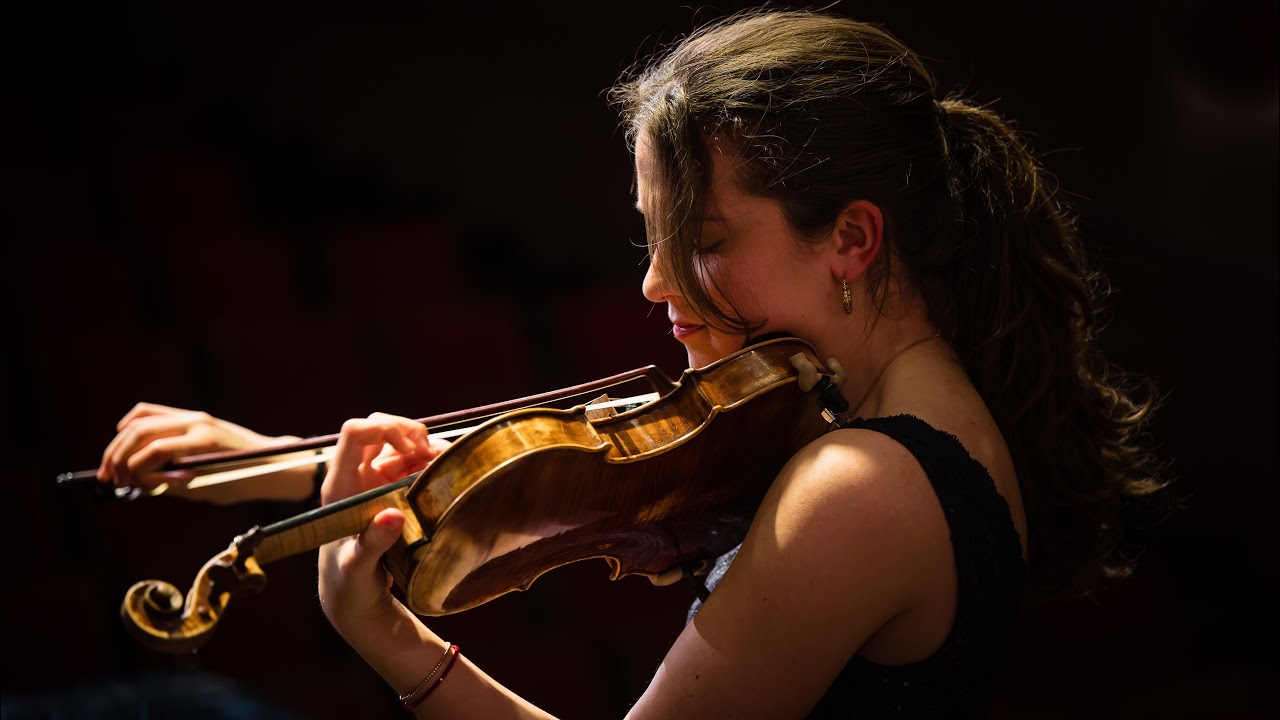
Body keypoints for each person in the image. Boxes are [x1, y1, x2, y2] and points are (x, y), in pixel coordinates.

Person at [98, 9, 1163, 718]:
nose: (657, 284)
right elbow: (563, 468)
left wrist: (378, 633)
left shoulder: (859, 486)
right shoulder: (889, 424)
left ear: (850, 240)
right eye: (650, 237)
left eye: (700, 238)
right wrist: (272, 466)